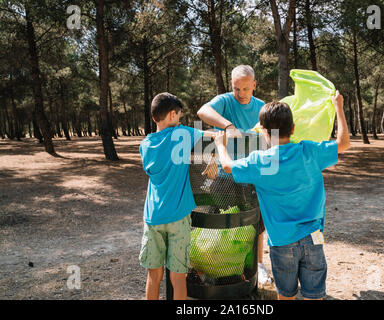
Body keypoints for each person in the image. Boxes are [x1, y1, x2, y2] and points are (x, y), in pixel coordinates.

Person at [213, 91, 350, 300]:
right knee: (315, 296)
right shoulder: (309, 151)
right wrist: (339, 107)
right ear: (293, 129)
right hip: (314, 237)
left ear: (264, 133)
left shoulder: (259, 161)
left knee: (285, 296)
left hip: (281, 243)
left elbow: (227, 166)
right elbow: (343, 143)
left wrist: (221, 145)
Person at [197, 65, 273, 285]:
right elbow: (203, 111)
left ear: (254, 85)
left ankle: (257, 265)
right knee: (223, 222)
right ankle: (220, 267)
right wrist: (228, 125)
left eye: (245, 89)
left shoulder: (261, 107)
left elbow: (271, 139)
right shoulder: (225, 101)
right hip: (224, 175)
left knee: (256, 224)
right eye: (236, 88)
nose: (240, 93)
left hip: (252, 178)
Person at [139, 92, 215, 300]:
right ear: (172, 114)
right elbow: (214, 136)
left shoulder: (145, 145)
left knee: (153, 275)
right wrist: (213, 155)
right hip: (178, 218)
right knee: (178, 277)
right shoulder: (181, 134)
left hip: (153, 218)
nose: (180, 119)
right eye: (179, 115)